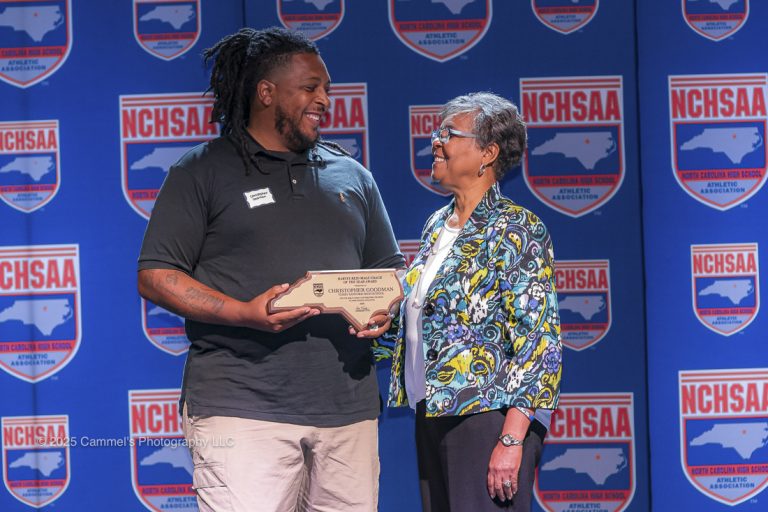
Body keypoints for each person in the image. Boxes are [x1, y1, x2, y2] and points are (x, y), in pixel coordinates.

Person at [137, 27, 404, 512]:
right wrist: (243, 313)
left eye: (327, 89)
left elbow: (390, 271)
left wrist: (384, 308)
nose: (325, 100)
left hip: (348, 409)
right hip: (241, 408)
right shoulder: (201, 171)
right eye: (310, 88)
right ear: (266, 92)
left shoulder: (353, 175)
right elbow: (158, 275)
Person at [382, 92, 562, 511]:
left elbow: (541, 344)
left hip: (488, 418)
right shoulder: (436, 226)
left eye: (449, 133)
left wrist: (511, 439)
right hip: (433, 411)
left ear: (488, 153)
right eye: (437, 132)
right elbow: (426, 319)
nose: (435, 141)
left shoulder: (516, 228)